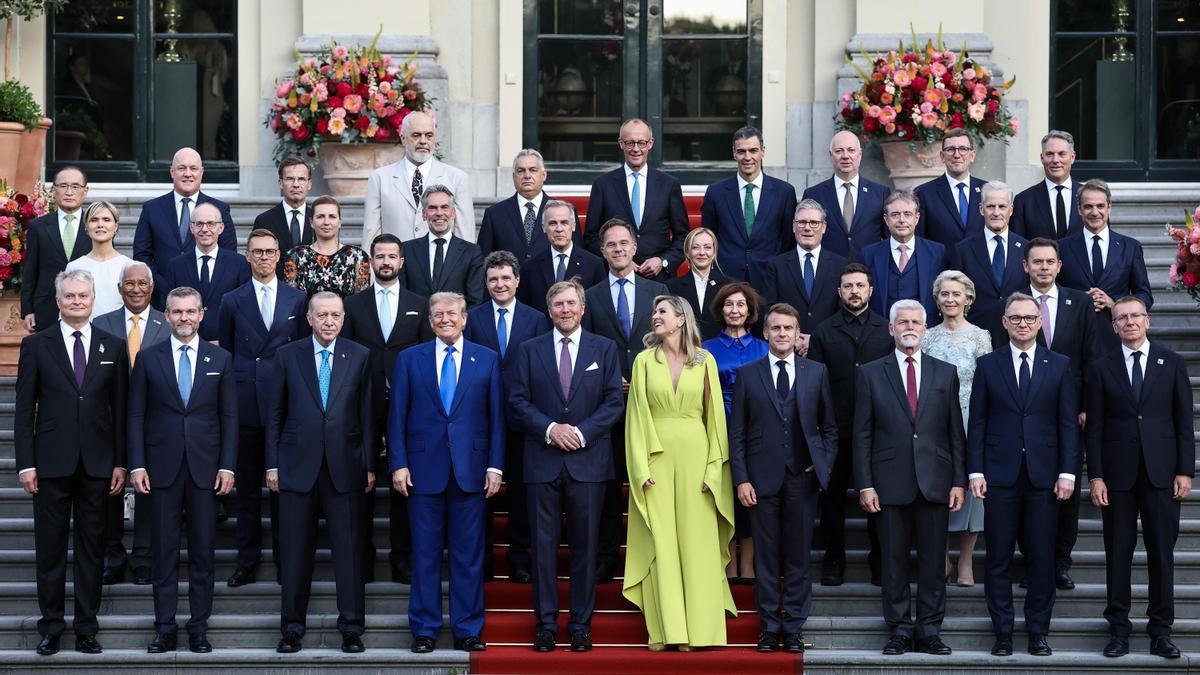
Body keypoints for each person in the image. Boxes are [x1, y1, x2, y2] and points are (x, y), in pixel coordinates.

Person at [15, 269, 127, 657]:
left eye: (83, 295)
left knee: (91, 549)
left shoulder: (112, 346)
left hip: (98, 464)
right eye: (70, 296)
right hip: (49, 464)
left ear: (94, 300)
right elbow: (24, 409)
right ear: (58, 300)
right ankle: (50, 627)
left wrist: (121, 462)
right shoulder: (37, 346)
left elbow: (121, 411)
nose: (77, 301)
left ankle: (85, 628)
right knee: (49, 549)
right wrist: (25, 464)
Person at [508, 279, 624, 653]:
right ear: (548, 309)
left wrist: (580, 432)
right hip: (542, 462)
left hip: (588, 463)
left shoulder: (604, 349)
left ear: (583, 307)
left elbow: (613, 403)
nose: (565, 310)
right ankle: (545, 625)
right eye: (558, 304)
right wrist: (550, 428)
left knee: (585, 548)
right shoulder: (528, 350)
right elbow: (517, 401)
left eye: (571, 303)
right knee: (542, 549)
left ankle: (579, 624)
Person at [389, 292, 504, 654]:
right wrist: (398, 463)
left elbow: (497, 418)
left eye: (451, 313)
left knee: (468, 556)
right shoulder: (409, 359)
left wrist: (495, 465)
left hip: (471, 473)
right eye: (437, 314)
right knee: (424, 554)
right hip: (422, 473)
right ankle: (424, 629)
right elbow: (397, 418)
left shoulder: (486, 359)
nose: (444, 319)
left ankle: (467, 629)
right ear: (429, 320)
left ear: (465, 318)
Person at [967, 293, 1079, 658]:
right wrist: (976, 470)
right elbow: (978, 422)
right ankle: (1002, 631)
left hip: (1045, 478)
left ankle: (1037, 632)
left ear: (1040, 322)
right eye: (1015, 319)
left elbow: (1067, 424)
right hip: (998, 476)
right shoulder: (988, 365)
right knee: (997, 558)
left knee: (1042, 559)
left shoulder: (1059, 365)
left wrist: (1067, 472)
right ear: (1004, 323)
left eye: (1029, 318)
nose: (1023, 324)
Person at [127, 286, 237, 654]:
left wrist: (227, 466)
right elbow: (137, 414)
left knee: (204, 552)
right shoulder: (149, 357)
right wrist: (137, 464)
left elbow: (229, 417)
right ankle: (164, 626)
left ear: (202, 314)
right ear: (166, 315)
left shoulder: (220, 359)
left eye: (191, 312)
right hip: (161, 469)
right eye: (177, 312)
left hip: (207, 470)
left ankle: (198, 626)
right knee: (164, 551)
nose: (184, 318)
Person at [854, 299, 965, 656]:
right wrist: (865, 482)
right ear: (891, 329)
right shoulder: (871, 372)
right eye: (902, 322)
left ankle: (929, 629)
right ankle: (900, 629)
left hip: (935, 480)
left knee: (934, 563)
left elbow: (954, 433)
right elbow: (862, 433)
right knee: (894, 561)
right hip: (888, 482)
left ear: (925, 327)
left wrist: (959, 481)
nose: (909, 327)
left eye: (916, 321)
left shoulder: (944, 372)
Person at [624, 295, 736, 650]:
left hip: (697, 458)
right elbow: (636, 418)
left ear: (681, 319)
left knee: (696, 544)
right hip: (656, 460)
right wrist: (640, 468)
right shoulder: (643, 360)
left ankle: (701, 632)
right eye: (654, 312)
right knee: (662, 544)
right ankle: (670, 630)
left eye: (661, 312)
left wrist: (713, 471)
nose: (654, 317)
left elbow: (714, 417)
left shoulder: (705, 360)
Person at [266, 292, 375, 654]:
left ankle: (352, 628)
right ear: (309, 319)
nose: (329, 322)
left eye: (335, 316)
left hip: (346, 467)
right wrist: (272, 464)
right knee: (296, 553)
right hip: (297, 468)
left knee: (349, 553)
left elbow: (368, 416)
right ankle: (292, 628)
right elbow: (275, 415)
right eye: (322, 315)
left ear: (343, 319)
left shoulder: (360, 356)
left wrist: (370, 465)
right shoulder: (286, 355)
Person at [1086, 297, 1193, 660]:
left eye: (1135, 316)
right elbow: (1095, 428)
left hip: (1162, 474)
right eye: (1122, 318)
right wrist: (1096, 476)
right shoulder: (1100, 367)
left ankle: (1161, 630)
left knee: (1161, 554)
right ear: (1113, 326)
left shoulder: (1172, 362)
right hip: (1116, 476)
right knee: (1118, 554)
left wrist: (1184, 470)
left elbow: (1183, 423)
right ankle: (1118, 630)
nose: (1129, 322)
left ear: (1146, 320)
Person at [730, 303, 837, 654]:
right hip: (760, 482)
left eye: (788, 328)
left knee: (797, 557)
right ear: (766, 332)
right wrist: (742, 479)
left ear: (797, 333)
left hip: (802, 479)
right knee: (766, 558)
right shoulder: (748, 373)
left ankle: (792, 626)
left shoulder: (816, 372)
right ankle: (768, 626)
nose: (782, 334)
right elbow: (738, 433)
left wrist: (820, 464)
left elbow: (829, 429)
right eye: (775, 328)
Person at [216, 229, 309, 588]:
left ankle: (287, 561)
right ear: (248, 256)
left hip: (285, 405)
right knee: (249, 491)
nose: (264, 258)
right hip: (246, 404)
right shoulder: (231, 299)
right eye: (257, 252)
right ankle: (247, 561)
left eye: (270, 252)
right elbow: (227, 349)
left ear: (280, 256)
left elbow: (301, 351)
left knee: (285, 489)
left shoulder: (297, 299)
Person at [341, 233, 431, 585]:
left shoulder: (419, 303)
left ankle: (402, 558)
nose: (386, 262)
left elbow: (424, 356)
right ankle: (362, 558)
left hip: (407, 409)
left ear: (402, 261)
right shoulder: (354, 304)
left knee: (402, 483)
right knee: (360, 481)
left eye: (392, 256)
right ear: (370, 262)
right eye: (379, 256)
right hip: (362, 404)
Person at [582, 219, 668, 583]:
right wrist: (605, 377)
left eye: (623, 243)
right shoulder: (592, 294)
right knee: (608, 485)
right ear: (602, 252)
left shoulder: (658, 291)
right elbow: (586, 344)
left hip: (653, 404)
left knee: (653, 482)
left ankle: (653, 558)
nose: (618, 249)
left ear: (635, 248)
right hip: (608, 403)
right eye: (610, 245)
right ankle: (605, 557)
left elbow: (670, 340)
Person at [465, 251, 550, 582]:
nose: (499, 284)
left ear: (517, 281)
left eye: (505, 278)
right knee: (479, 495)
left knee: (519, 496)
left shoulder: (537, 319)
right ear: (486, 284)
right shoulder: (472, 319)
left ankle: (519, 558)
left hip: (522, 422)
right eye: (493, 279)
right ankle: (483, 560)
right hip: (480, 421)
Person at [807, 263, 892, 587]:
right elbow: (814, 383)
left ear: (870, 290)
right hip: (836, 429)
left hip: (878, 430)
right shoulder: (825, 332)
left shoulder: (886, 330)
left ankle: (880, 561)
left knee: (879, 499)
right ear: (839, 292)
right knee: (832, 500)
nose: (854, 291)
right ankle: (833, 559)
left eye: (860, 285)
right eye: (848, 286)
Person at [1023, 237, 1094, 589]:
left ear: (1059, 266)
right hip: (1024, 412)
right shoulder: (1014, 304)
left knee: (1067, 485)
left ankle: (1060, 561)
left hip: (1069, 412)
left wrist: (1084, 405)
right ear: (1026, 266)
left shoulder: (1079, 303)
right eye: (1037, 262)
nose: (1044, 267)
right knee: (1026, 485)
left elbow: (1091, 358)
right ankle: (1031, 560)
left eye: (1050, 261)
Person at [94, 262, 169, 587]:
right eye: (130, 284)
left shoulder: (167, 324)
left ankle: (142, 558)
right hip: (108, 422)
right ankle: (112, 556)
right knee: (108, 492)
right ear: (120, 288)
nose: (136, 289)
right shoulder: (102, 324)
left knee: (148, 492)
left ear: (152, 288)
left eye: (142, 284)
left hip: (153, 423)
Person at [920, 271, 992, 588]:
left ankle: (965, 559)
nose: (950, 299)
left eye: (956, 294)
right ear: (937, 300)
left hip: (970, 418)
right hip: (933, 421)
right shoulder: (926, 336)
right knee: (937, 486)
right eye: (944, 294)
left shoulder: (980, 336)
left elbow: (988, 382)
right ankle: (942, 557)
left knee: (972, 491)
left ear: (968, 298)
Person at [702, 282, 769, 583]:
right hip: (720, 424)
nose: (735, 310)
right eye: (729, 305)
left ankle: (749, 564)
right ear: (721, 309)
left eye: (741, 304)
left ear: (750, 310)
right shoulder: (706, 350)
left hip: (757, 428)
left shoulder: (764, 348)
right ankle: (728, 561)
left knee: (751, 495)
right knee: (725, 495)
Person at [582, 118, 689, 281]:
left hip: (659, 279)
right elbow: (591, 237)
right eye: (630, 143)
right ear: (621, 143)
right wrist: (618, 260)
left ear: (651, 143)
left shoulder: (669, 185)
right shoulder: (603, 185)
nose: (636, 149)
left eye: (641, 142)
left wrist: (663, 262)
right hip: (615, 277)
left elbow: (683, 236)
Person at [1057, 179, 1152, 352]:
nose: (1095, 212)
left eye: (1100, 206)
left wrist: (1115, 304)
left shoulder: (1130, 247)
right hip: (1073, 338)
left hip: (1118, 339)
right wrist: (1081, 301)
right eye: (1088, 207)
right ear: (1079, 209)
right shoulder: (1061, 247)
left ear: (1109, 207)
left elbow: (1144, 295)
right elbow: (1053, 291)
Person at [698, 126, 796, 288]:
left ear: (763, 152)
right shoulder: (716, 192)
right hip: (727, 279)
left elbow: (788, 240)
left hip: (770, 279)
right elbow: (709, 237)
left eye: (753, 150)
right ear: (734, 153)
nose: (747, 157)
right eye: (742, 151)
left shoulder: (784, 192)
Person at [363, 110, 475, 245]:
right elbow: (371, 232)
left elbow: (464, 233)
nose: (423, 141)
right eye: (416, 135)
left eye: (429, 136)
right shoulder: (380, 178)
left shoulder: (457, 178)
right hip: (395, 263)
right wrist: (369, 265)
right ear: (403, 138)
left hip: (440, 263)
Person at [133, 147, 235, 289]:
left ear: (201, 172)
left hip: (207, 293)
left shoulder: (220, 209)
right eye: (181, 168)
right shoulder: (151, 209)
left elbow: (228, 255)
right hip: (163, 295)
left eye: (193, 168)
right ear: (172, 172)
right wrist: (163, 284)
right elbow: (141, 256)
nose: (188, 174)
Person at [950, 181, 1030, 348]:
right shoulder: (962, 250)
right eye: (990, 206)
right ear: (981, 209)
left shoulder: (1026, 249)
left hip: (1018, 337)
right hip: (973, 338)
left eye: (1002, 206)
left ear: (1011, 209)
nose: (996, 212)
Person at [762, 199, 848, 355]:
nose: (807, 228)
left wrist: (815, 338)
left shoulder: (841, 265)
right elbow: (770, 308)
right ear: (794, 226)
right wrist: (795, 338)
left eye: (814, 223)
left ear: (824, 227)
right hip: (788, 350)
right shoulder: (776, 265)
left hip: (829, 350)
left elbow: (843, 311)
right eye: (802, 222)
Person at [159, 202, 250, 342]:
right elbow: (167, 307)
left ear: (221, 228)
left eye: (211, 224)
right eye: (199, 224)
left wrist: (227, 342)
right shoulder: (175, 265)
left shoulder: (239, 264)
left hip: (226, 346)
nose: (205, 229)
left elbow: (245, 309)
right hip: (185, 343)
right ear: (191, 228)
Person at [21, 167, 93, 333]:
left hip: (85, 308)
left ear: (85, 191)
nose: (69, 192)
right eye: (63, 186)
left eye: (75, 186)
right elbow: (30, 270)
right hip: (46, 308)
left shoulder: (95, 225)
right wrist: (27, 309)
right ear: (53, 190)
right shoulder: (38, 226)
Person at [858, 189, 946, 324]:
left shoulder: (937, 252)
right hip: (881, 333)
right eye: (895, 215)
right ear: (886, 220)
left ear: (916, 218)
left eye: (907, 214)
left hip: (926, 332)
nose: (901, 220)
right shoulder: (868, 254)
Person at [801, 130, 888, 261]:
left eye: (851, 150)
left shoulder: (880, 193)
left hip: (869, 271)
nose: (845, 156)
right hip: (828, 272)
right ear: (831, 155)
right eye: (839, 151)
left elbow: (888, 238)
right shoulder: (814, 194)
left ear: (860, 154)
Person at [480, 149, 571, 262]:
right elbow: (484, 261)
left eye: (533, 170)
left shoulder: (564, 212)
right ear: (514, 177)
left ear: (544, 175)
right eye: (521, 171)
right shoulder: (495, 214)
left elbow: (576, 256)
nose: (527, 176)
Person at [401, 185, 486, 306]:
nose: (439, 213)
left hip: (455, 323)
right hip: (416, 324)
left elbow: (475, 300)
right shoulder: (407, 250)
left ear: (453, 213)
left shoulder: (471, 252)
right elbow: (403, 296)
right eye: (432, 208)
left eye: (444, 207)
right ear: (424, 214)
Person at [519, 200, 605, 314]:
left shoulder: (594, 264)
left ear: (573, 226)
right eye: (553, 223)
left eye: (564, 222)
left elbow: (599, 309)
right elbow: (525, 311)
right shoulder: (530, 267)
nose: (559, 229)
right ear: (544, 228)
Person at [284, 195, 370, 298]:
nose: (326, 222)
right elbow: (291, 300)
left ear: (340, 222)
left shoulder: (358, 256)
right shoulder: (295, 256)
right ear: (311, 222)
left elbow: (362, 301)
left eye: (332, 216)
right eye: (320, 216)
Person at [914, 129, 986, 249]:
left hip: (980, 266)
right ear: (942, 156)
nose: (957, 155)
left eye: (963, 149)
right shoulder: (924, 194)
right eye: (950, 149)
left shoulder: (987, 191)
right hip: (941, 266)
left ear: (972, 155)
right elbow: (919, 239)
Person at [1011, 130, 1084, 240]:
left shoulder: (1089, 197)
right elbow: (1017, 246)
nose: (1055, 160)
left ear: (1072, 157)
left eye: (1062, 154)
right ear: (1042, 158)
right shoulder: (1024, 201)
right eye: (1049, 154)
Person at [65, 201, 134, 317]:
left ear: (116, 226)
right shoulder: (74, 267)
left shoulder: (129, 266)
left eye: (106, 220)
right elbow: (66, 308)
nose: (100, 224)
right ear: (86, 227)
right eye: (94, 220)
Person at [253, 155, 316, 278]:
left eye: (301, 179)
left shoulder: (319, 220)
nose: (296, 184)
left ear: (309, 184)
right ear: (281, 183)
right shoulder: (264, 221)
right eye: (290, 179)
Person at [665, 227, 728, 341]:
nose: (702, 252)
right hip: (685, 350)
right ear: (687, 252)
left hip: (720, 351)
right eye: (695, 247)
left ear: (714, 252)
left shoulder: (728, 286)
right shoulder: (671, 287)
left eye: (707, 247)